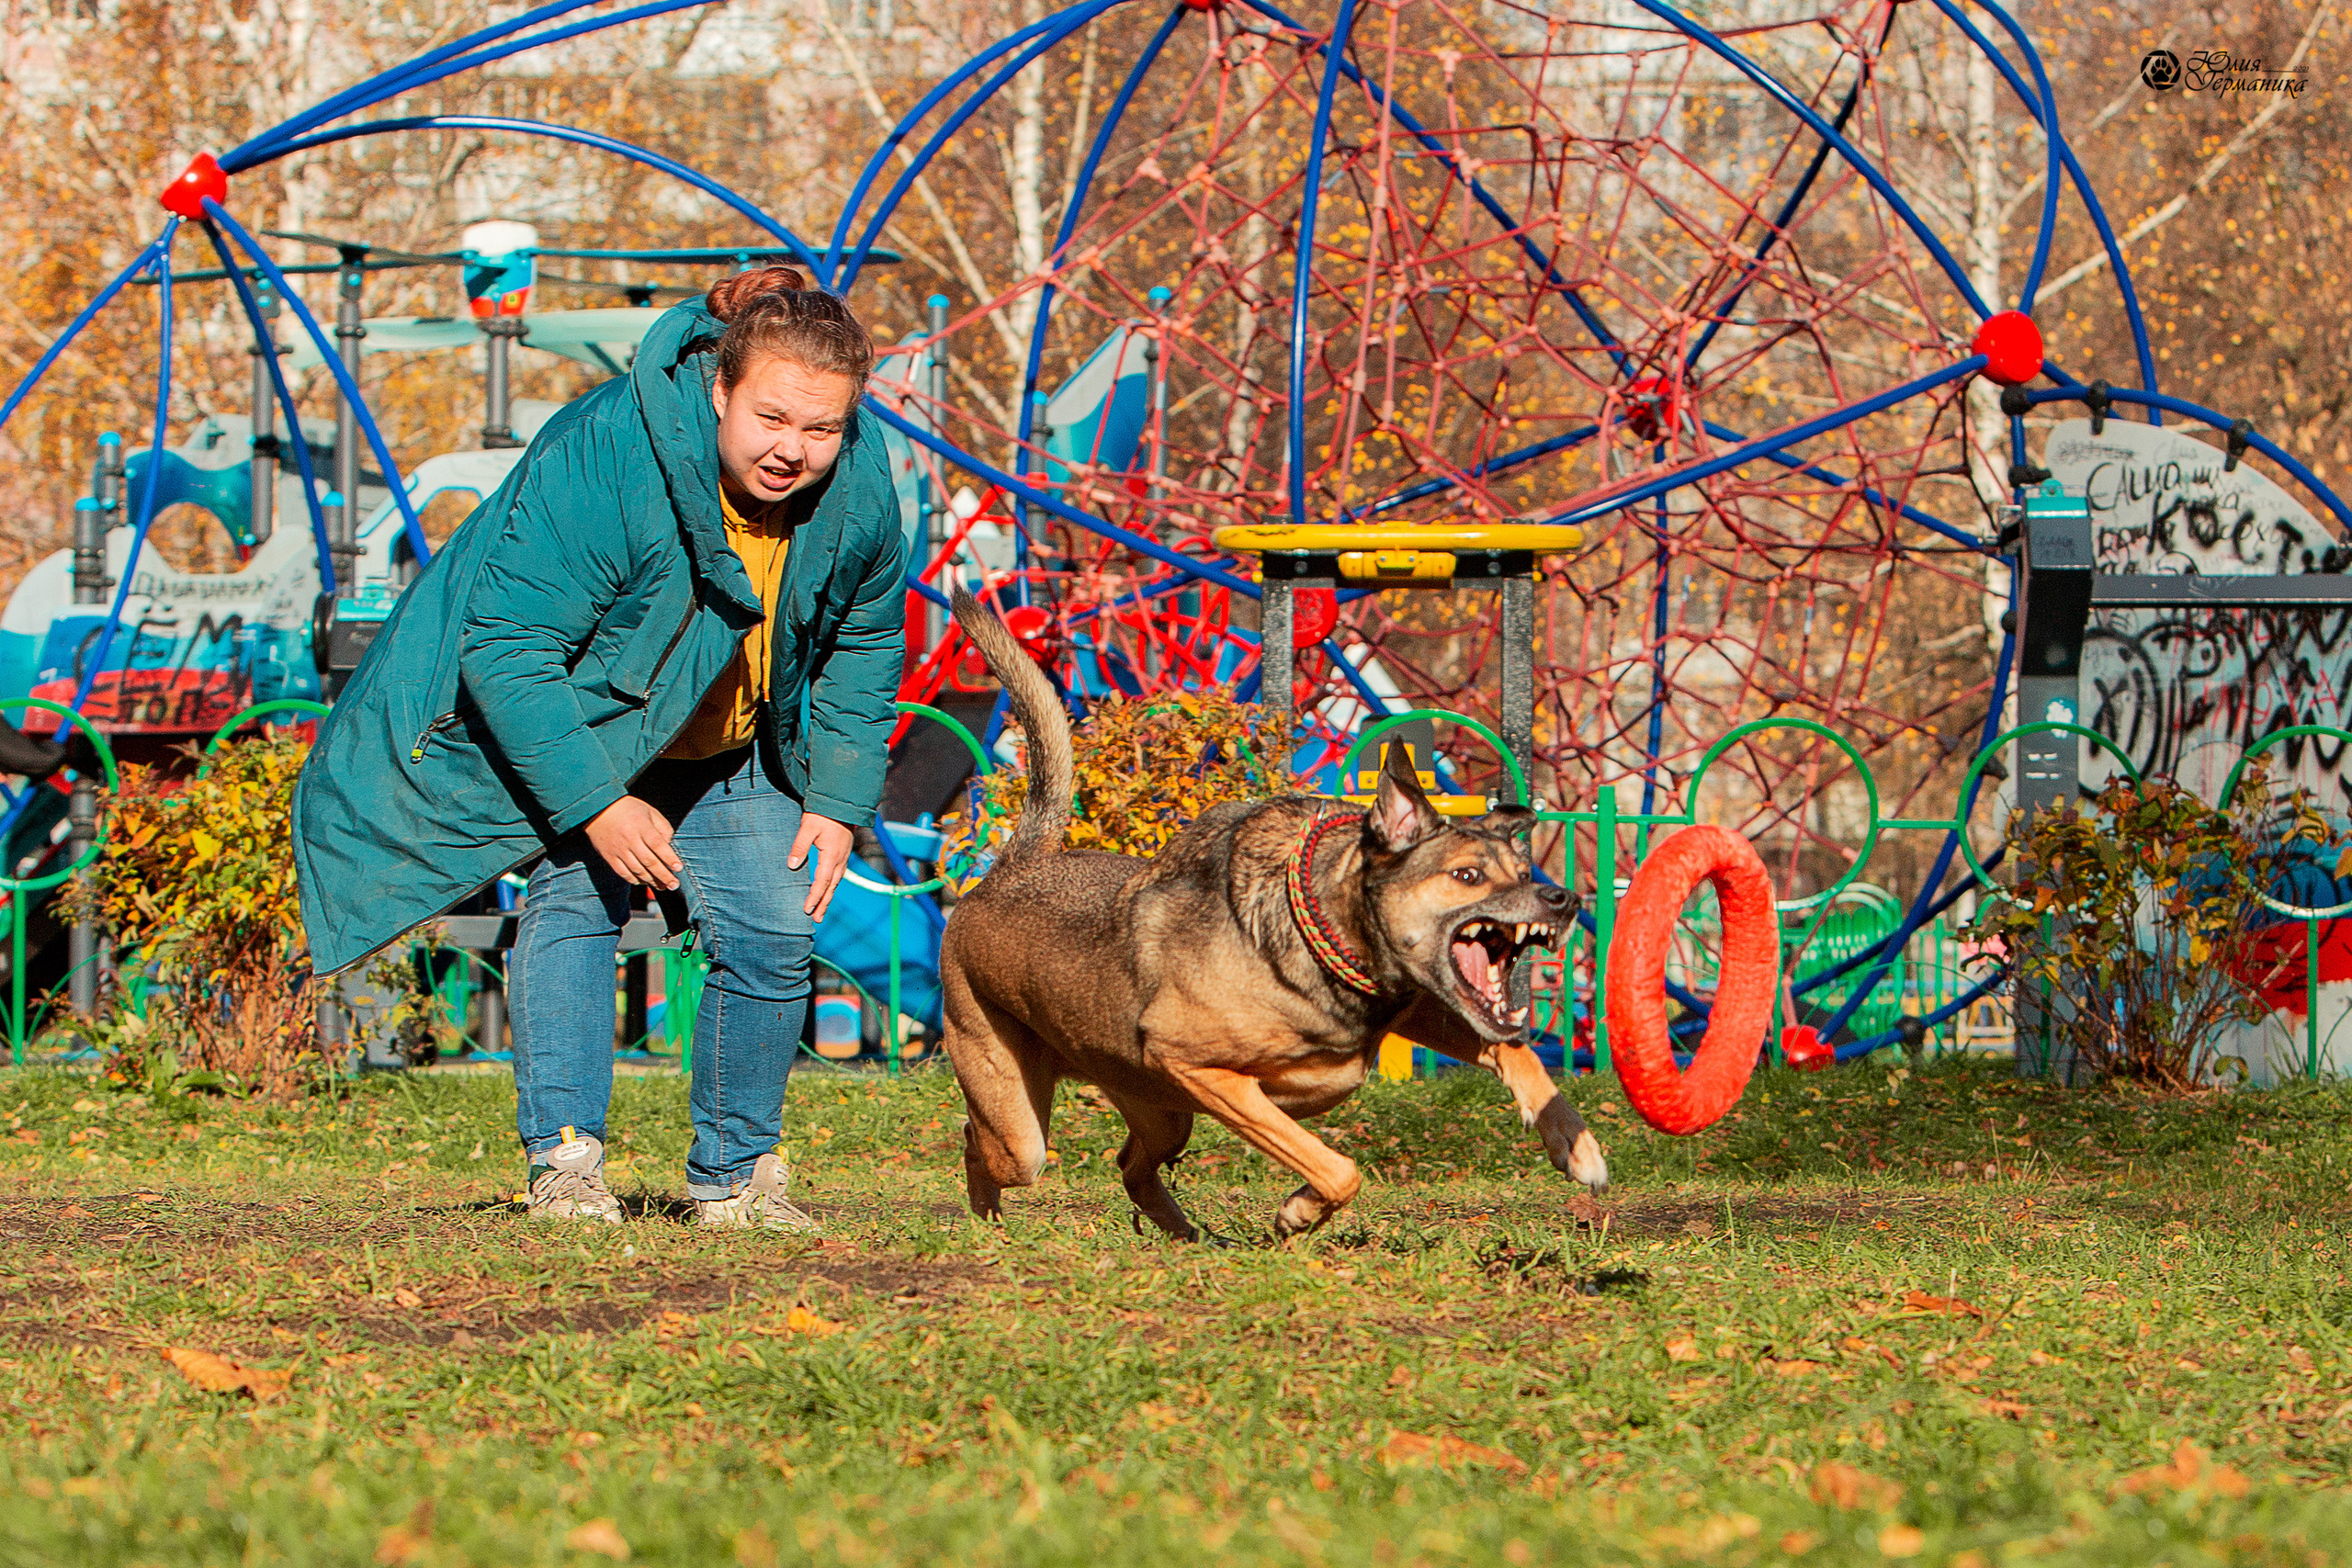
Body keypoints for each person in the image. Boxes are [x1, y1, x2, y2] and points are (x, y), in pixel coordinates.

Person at [294, 267, 910, 1231]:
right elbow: (505, 647)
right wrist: (595, 804)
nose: (793, 451)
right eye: (773, 419)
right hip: (594, 733)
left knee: (775, 931)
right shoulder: (606, 455)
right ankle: (567, 1164)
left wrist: (835, 800)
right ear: (719, 386)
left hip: (731, 745)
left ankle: (738, 1177)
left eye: (821, 430)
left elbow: (863, 643)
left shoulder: (860, 486)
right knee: (577, 906)